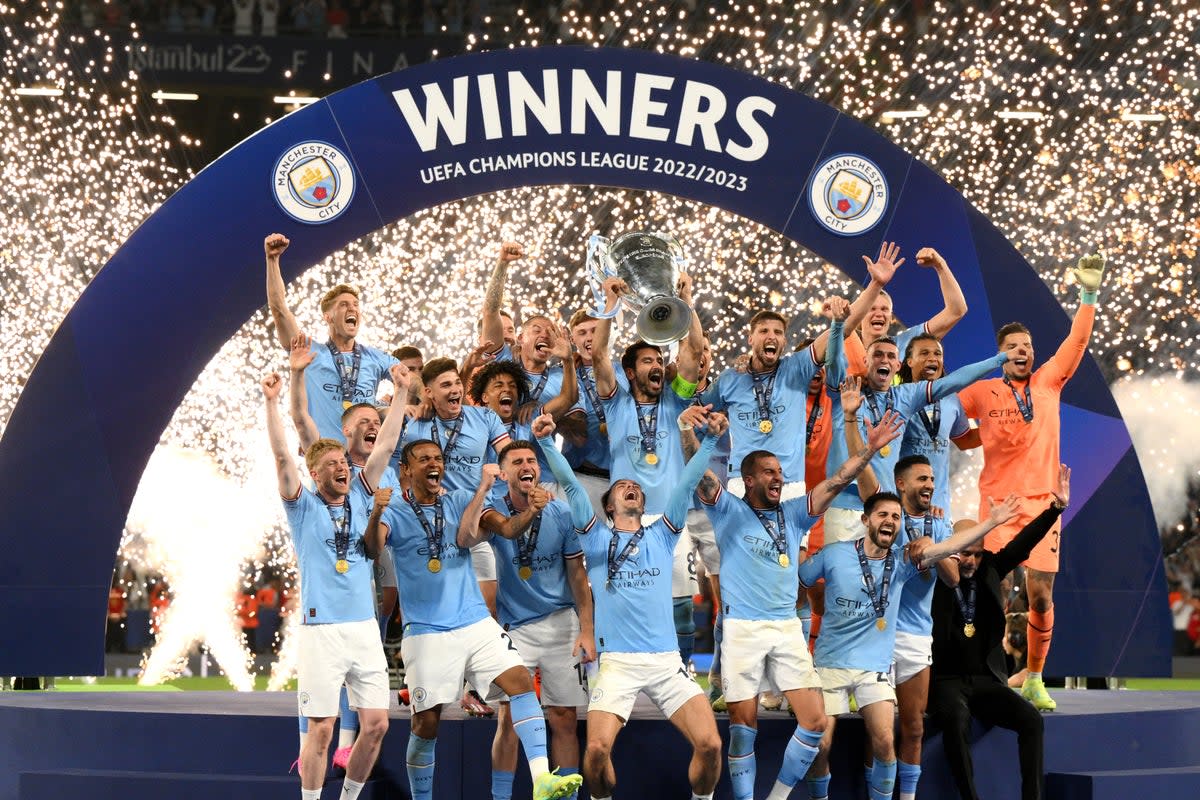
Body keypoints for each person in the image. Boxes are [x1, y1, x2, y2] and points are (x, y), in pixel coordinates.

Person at [687, 378, 904, 800]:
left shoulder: (794, 513)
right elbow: (701, 480)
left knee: (815, 720)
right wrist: (687, 436)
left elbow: (839, 480)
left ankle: (779, 796)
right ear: (748, 479)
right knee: (742, 728)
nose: (777, 477)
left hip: (787, 628)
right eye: (768, 472)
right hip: (743, 630)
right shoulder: (727, 510)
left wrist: (868, 449)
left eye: (780, 472)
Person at [364, 441, 582, 800]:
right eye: (424, 459)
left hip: (476, 622)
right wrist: (375, 513)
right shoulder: (395, 509)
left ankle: (542, 779)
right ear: (406, 469)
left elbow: (503, 530)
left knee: (520, 682)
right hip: (427, 631)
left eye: (438, 458)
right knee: (426, 723)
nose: (434, 464)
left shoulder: (460, 498)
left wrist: (499, 498)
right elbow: (373, 549)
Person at [535, 411, 725, 800]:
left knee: (710, 746)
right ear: (608, 507)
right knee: (596, 750)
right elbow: (571, 485)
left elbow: (687, 482)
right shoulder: (595, 539)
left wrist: (707, 442)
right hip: (618, 663)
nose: (630, 487)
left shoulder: (662, 534)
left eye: (634, 486)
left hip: (666, 663)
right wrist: (543, 442)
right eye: (621, 486)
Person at [955, 254, 1106, 710]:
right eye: (1014, 346)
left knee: (1040, 594)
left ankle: (1036, 678)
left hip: (1042, 506)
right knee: (991, 594)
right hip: (996, 508)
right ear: (1002, 354)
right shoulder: (981, 391)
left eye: (1028, 345)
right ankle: (985, 673)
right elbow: (954, 429)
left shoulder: (1048, 384)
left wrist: (1088, 297)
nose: (1023, 351)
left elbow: (1076, 343)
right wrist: (983, 434)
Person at [798, 491, 1019, 800]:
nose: (890, 520)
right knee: (821, 744)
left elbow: (949, 548)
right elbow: (801, 578)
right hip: (830, 662)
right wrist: (812, 609)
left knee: (886, 740)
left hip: (873, 667)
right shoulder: (835, 553)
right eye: (883, 515)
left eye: (896, 517)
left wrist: (991, 522)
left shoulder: (903, 560)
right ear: (866, 520)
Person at [262, 371, 391, 800]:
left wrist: (405, 390)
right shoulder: (303, 507)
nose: (342, 468)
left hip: (364, 628)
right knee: (320, 730)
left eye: (343, 463)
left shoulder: (359, 496)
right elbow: (283, 458)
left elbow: (386, 446)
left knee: (376, 725)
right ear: (315, 474)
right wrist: (272, 402)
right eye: (331, 465)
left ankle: (349, 798)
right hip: (321, 631)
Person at [288, 336, 410, 769]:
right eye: (361, 419)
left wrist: (401, 393)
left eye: (374, 419)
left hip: (375, 554)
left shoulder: (374, 474)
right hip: (331, 581)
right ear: (344, 433)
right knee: (328, 655)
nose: (370, 424)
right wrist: (297, 374)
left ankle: (348, 737)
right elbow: (301, 421)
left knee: (371, 628)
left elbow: (391, 442)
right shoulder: (327, 467)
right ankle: (317, 748)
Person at [699, 242, 902, 501]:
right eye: (763, 331)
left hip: (789, 485)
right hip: (742, 484)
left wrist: (876, 285)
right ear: (750, 339)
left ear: (784, 342)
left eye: (778, 333)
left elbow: (844, 329)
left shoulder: (796, 367)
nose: (771, 336)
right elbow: (698, 408)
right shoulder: (729, 379)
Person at [927, 464, 1071, 800]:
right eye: (965, 552)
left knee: (1031, 720)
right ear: (952, 547)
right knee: (957, 719)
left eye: (977, 554)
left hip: (986, 680)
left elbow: (1023, 544)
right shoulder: (934, 574)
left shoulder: (990, 567)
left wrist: (1056, 508)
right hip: (944, 680)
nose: (971, 561)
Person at [820, 312, 1017, 545]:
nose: (884, 360)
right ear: (865, 361)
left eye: (890, 356)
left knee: (885, 580)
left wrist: (1000, 359)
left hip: (886, 509)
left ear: (897, 364)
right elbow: (832, 362)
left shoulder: (905, 397)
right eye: (877, 355)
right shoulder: (845, 391)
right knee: (842, 579)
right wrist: (837, 324)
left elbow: (955, 380)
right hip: (844, 505)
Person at [479, 440, 596, 800]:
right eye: (517, 461)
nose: (527, 465)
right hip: (515, 629)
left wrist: (588, 629)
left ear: (539, 471)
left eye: (532, 460)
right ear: (504, 473)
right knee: (508, 721)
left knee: (563, 716)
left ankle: (565, 796)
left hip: (562, 622)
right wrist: (531, 511)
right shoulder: (491, 510)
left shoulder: (561, 513)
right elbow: (509, 531)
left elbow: (578, 577)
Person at [264, 233, 398, 441]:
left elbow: (411, 379)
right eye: (343, 305)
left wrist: (413, 402)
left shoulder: (377, 358)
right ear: (328, 317)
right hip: (325, 461)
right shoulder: (308, 352)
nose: (352, 308)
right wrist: (272, 260)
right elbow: (279, 309)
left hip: (367, 463)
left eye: (355, 304)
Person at [896, 335, 974, 517]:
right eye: (924, 353)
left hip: (940, 507)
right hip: (901, 505)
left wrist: (997, 429)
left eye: (937, 354)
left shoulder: (951, 399)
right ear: (909, 361)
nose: (932, 358)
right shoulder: (898, 397)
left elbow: (964, 440)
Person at [853, 246, 969, 360]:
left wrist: (940, 265)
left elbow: (956, 310)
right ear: (860, 314)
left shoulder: (907, 344)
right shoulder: (842, 343)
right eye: (872, 308)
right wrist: (876, 283)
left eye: (884, 309)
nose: (879, 314)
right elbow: (840, 323)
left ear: (890, 317)